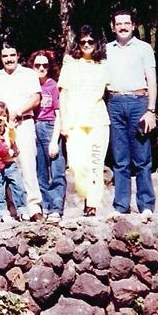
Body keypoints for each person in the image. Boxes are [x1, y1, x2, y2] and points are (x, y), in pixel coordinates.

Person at [105, 9, 157, 214]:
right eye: (119, 24)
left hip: (138, 103)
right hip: (114, 102)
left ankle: (146, 205)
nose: (123, 27)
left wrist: (151, 110)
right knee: (119, 158)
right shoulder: (106, 49)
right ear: (113, 27)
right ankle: (121, 206)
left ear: (133, 25)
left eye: (126, 23)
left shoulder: (144, 48)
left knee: (142, 157)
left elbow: (151, 79)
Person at [54, 26, 110, 216]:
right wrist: (63, 122)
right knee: (77, 164)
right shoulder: (70, 63)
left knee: (95, 162)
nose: (86, 45)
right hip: (74, 120)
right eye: (83, 42)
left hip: (98, 119)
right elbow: (63, 94)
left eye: (90, 42)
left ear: (96, 44)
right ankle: (87, 195)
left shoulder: (103, 64)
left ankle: (92, 204)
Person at [0, 43, 43, 221]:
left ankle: (34, 207)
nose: (9, 59)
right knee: (6, 168)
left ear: (18, 55)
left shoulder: (29, 74)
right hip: (2, 127)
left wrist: (17, 112)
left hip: (23, 124)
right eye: (5, 56)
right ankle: (12, 209)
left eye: (12, 55)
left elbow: (36, 98)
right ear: (1, 57)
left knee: (27, 166)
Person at [29, 50, 67, 222]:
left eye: (45, 65)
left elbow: (59, 114)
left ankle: (56, 208)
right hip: (32, 126)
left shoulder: (53, 86)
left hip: (50, 126)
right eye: (37, 65)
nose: (41, 68)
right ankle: (45, 206)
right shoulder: (28, 84)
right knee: (40, 171)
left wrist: (54, 140)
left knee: (57, 170)